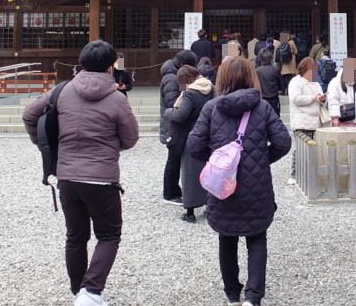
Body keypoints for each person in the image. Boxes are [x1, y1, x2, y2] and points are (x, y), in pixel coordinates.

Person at [23, 40, 139, 306]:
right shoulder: (116, 98)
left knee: (76, 236)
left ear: (81, 63)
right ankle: (91, 291)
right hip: (101, 177)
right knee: (109, 235)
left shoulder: (61, 91)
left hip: (67, 176)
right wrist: (111, 145)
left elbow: (30, 115)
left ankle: (78, 292)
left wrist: (45, 146)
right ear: (111, 67)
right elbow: (131, 138)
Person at [187, 56, 291, 306]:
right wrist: (261, 159)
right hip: (257, 185)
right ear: (250, 77)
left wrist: (216, 162)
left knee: (227, 237)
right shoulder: (262, 107)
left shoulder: (211, 108)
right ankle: (253, 297)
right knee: (257, 238)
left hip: (224, 185)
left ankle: (233, 294)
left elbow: (194, 145)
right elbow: (283, 143)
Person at [162, 65, 213, 222]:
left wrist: (168, 111)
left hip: (192, 135)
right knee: (209, 171)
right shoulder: (211, 87)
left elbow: (181, 115)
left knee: (190, 173)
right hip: (209, 134)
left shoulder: (190, 94)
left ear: (186, 80)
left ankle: (190, 211)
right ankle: (210, 205)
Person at [160, 49, 198, 205]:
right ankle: (169, 193)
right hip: (172, 124)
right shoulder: (171, 77)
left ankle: (174, 190)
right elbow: (173, 102)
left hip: (177, 124)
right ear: (183, 64)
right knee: (173, 159)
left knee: (175, 158)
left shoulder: (177, 74)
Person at [288, 57, 326, 182]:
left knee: (313, 151)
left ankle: (310, 175)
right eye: (311, 70)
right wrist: (312, 98)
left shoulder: (316, 83)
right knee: (300, 150)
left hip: (315, 122)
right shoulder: (296, 81)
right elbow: (296, 99)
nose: (313, 73)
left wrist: (322, 99)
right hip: (301, 121)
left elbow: (319, 98)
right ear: (304, 69)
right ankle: (294, 175)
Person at [255, 48, 283, 116]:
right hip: (274, 99)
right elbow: (281, 86)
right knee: (275, 118)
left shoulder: (257, 71)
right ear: (271, 58)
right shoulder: (275, 70)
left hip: (261, 99)